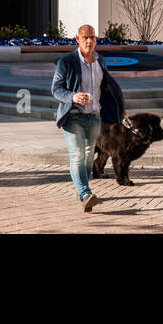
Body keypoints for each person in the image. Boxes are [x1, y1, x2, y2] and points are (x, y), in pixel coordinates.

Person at [51, 24, 126, 212]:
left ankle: (82, 191)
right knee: (77, 156)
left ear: (96, 39)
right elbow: (56, 89)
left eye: (92, 37)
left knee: (87, 157)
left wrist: (119, 107)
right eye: (85, 37)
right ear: (77, 39)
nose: (89, 41)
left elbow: (107, 88)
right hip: (73, 116)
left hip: (94, 117)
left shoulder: (100, 60)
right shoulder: (67, 61)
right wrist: (73, 96)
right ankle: (85, 193)